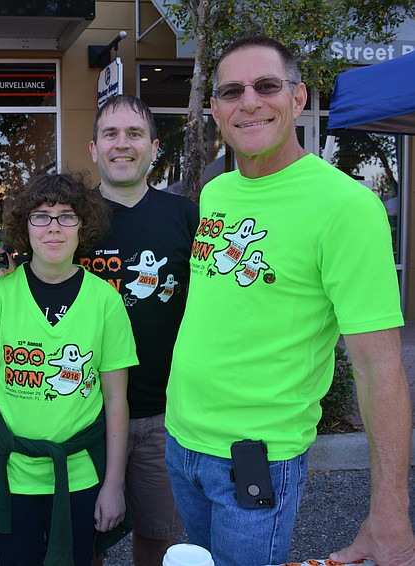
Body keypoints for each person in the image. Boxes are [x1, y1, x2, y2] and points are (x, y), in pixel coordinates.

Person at [164, 36, 415, 566]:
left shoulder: (347, 207)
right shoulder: (218, 190)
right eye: (232, 91)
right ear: (215, 109)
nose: (249, 101)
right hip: (181, 442)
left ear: (298, 98)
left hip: (254, 461)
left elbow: (378, 368)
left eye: (267, 86)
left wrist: (389, 511)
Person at [0, 172, 136, 566]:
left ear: (82, 225)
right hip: (14, 475)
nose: (53, 227)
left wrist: (114, 484)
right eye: (41, 216)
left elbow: (115, 398)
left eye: (66, 216)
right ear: (25, 227)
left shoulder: (105, 301)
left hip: (81, 476)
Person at [83, 94, 197, 565]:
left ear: (154, 148)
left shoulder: (186, 217)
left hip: (160, 416)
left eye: (134, 134)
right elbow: (19, 264)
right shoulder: (69, 217)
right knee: (80, 539)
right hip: (81, 410)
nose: (122, 144)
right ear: (93, 149)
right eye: (111, 134)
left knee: (161, 538)